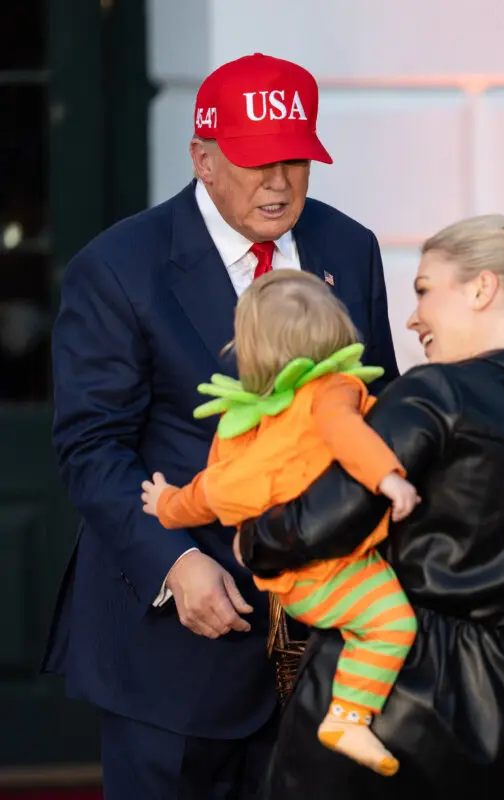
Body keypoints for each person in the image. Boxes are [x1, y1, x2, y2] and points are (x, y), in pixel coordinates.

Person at [44, 52, 399, 798]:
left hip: (329, 651)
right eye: (256, 161)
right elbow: (92, 449)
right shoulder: (117, 267)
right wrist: (174, 566)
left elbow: (379, 406)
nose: (280, 182)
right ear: (203, 159)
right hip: (177, 648)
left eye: (296, 159)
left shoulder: (350, 246)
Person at [234, 215, 504, 797]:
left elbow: (326, 520)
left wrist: (253, 537)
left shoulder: (434, 393)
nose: (412, 315)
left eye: (425, 289)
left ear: (482, 287)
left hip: (384, 680)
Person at [140, 269, 420, 776]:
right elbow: (347, 434)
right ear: (335, 331)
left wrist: (165, 503)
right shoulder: (333, 390)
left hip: (286, 583)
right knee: (391, 625)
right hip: (330, 569)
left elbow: (210, 490)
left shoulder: (249, 420)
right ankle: (348, 718)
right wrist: (389, 479)